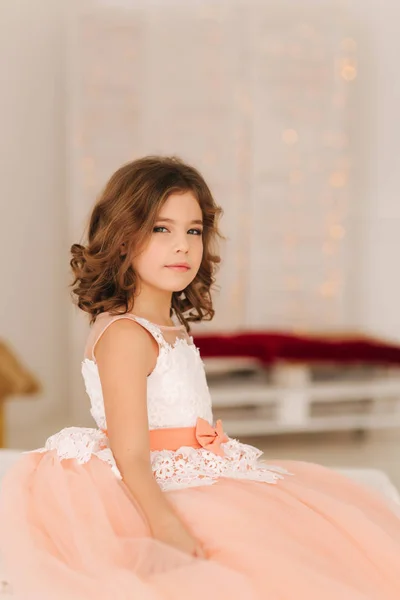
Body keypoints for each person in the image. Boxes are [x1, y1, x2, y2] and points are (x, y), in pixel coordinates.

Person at [1, 155, 400, 600]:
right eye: (161, 229)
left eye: (193, 230)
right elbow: (131, 454)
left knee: (314, 532)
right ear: (120, 240)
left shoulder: (168, 322)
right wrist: (165, 523)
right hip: (151, 478)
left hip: (195, 464)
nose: (183, 246)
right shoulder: (126, 335)